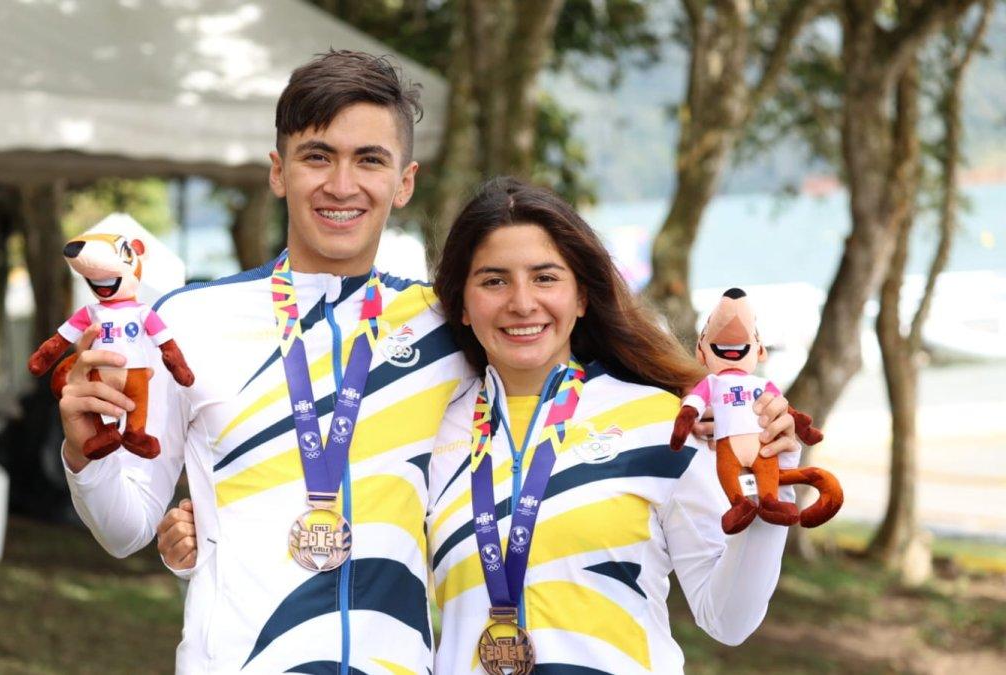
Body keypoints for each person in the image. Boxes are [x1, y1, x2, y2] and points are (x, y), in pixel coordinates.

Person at [58, 51, 472, 674]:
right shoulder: (190, 323)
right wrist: (83, 454)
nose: (341, 184)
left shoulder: (449, 329)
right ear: (278, 172)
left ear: (404, 181)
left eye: (369, 160)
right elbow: (125, 528)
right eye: (317, 156)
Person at [426, 177, 800, 674]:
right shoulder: (429, 432)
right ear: (462, 305)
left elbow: (729, 620)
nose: (521, 302)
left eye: (545, 278)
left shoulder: (659, 423)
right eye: (494, 280)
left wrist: (769, 488)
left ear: (582, 296)